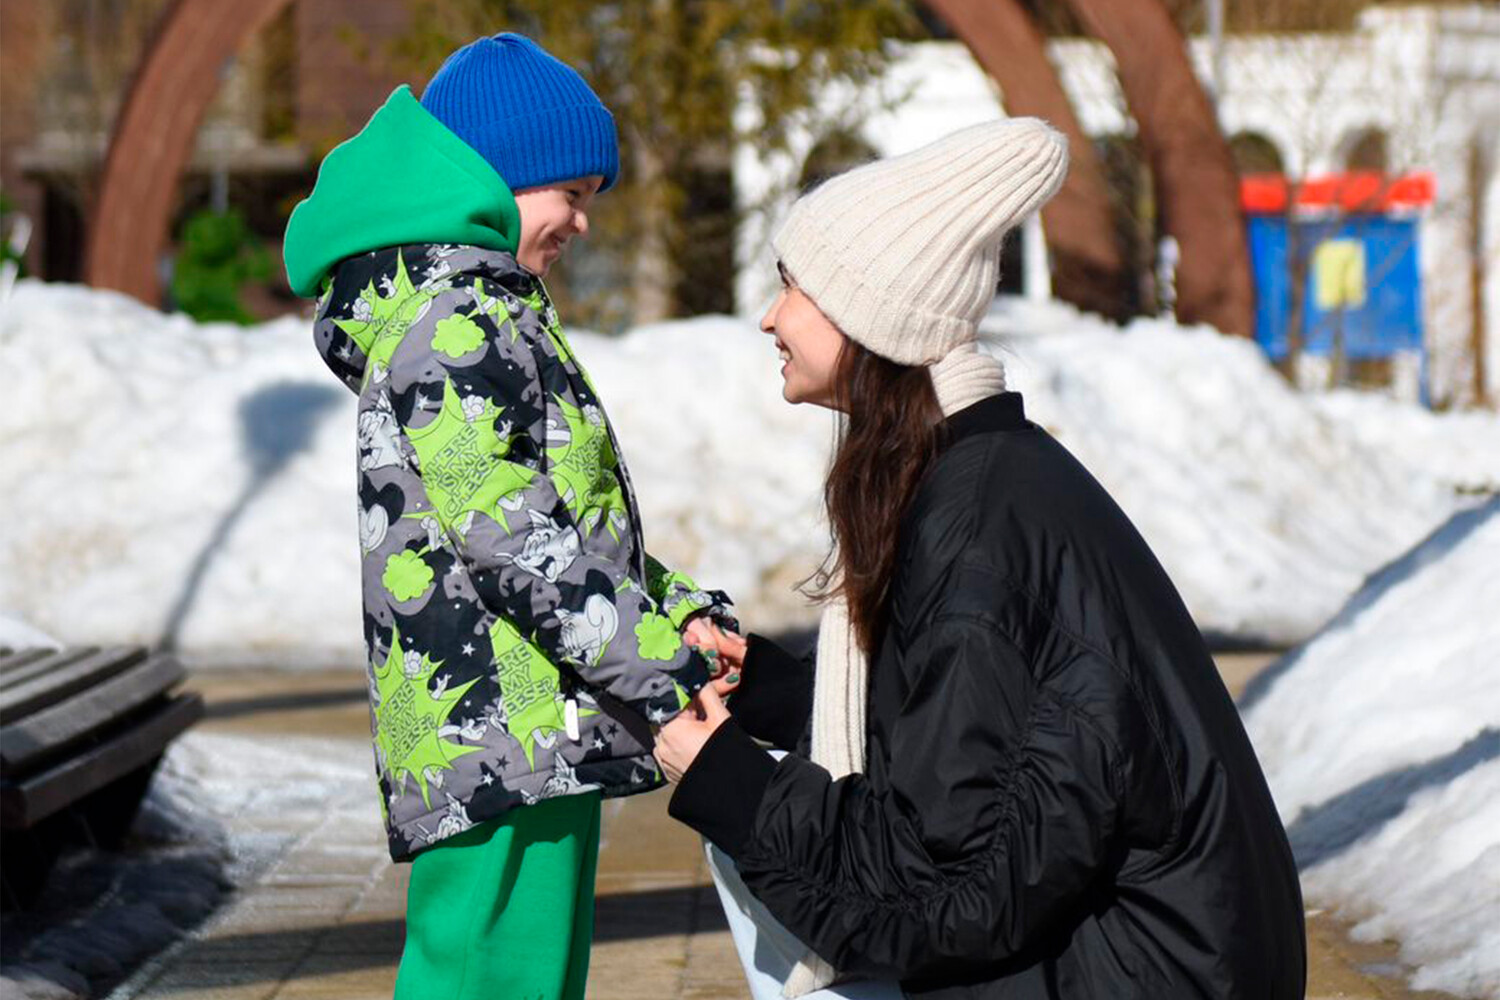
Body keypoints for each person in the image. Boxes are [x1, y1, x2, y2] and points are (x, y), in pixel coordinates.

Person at [655, 119, 1307, 999]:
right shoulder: (979, 473)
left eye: (790, 287)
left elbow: (945, 888)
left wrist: (730, 783)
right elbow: (966, 743)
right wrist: (776, 693)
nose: (769, 316)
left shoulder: (971, 531)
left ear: (868, 313)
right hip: (1167, 956)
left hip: (1146, 974)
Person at [282, 33, 738, 1000]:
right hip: (491, 735)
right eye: (569, 193)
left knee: (526, 978)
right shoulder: (451, 329)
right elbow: (518, 548)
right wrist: (659, 672)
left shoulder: (491, 312)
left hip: (535, 724)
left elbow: (569, 524)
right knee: (487, 979)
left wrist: (682, 615)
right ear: (491, 175)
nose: (580, 222)